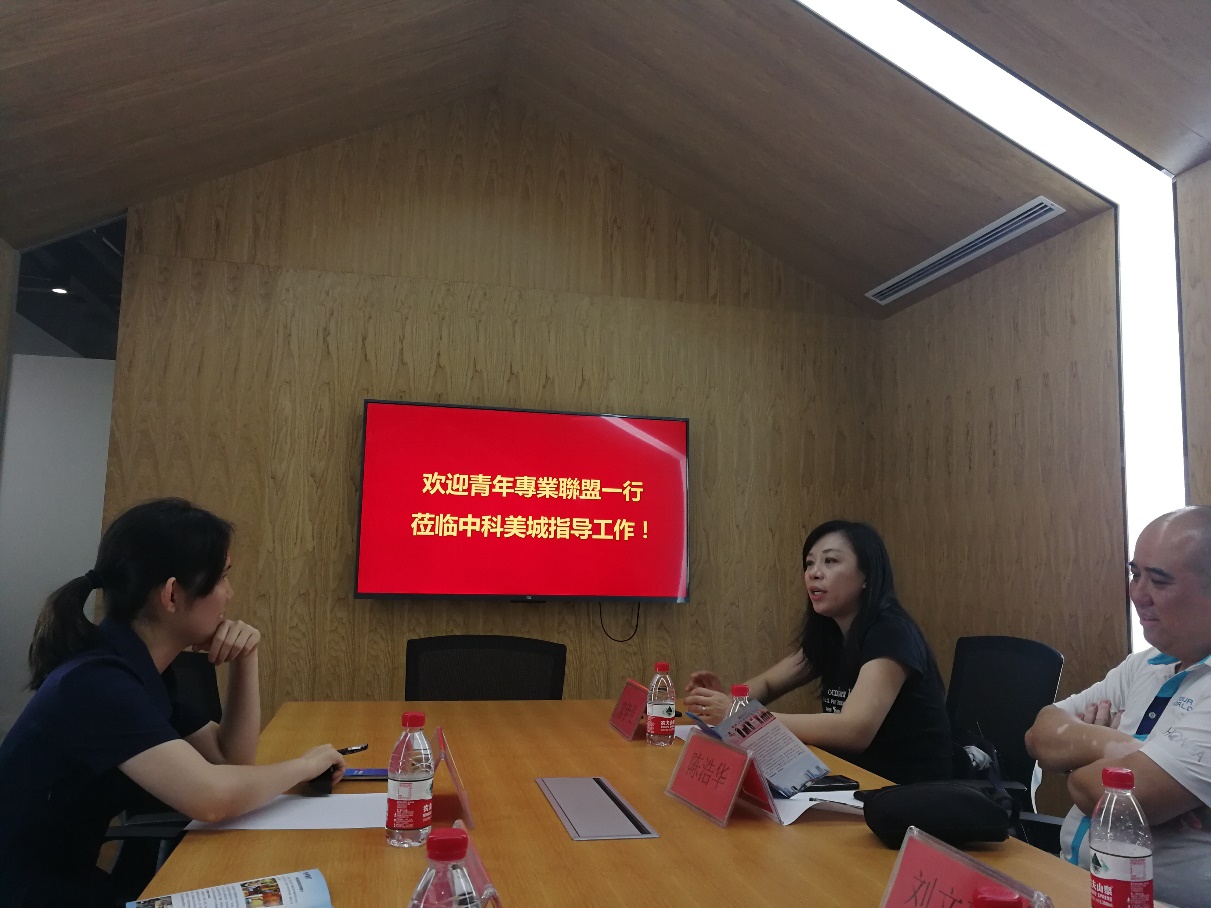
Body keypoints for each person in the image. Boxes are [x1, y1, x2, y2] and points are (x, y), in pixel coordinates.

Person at [0, 498, 348, 907]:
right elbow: (211, 798)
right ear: (171, 595)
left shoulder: (136, 668)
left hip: (58, 883)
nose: (229, 593)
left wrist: (245, 660)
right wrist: (306, 766)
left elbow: (230, 760)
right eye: (222, 578)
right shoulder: (99, 683)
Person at [1025, 506, 1211, 908]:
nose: (1137, 594)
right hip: (1074, 882)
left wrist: (1077, 760)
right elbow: (1040, 733)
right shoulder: (1146, 664)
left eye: (1158, 580)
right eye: (1135, 574)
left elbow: (1096, 791)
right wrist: (1126, 752)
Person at [685, 519, 952, 784]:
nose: (814, 572)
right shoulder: (831, 633)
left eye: (830, 561)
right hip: (854, 779)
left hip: (910, 790)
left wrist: (743, 718)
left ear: (866, 576)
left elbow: (854, 730)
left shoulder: (891, 632)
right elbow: (768, 684)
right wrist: (723, 703)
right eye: (810, 563)